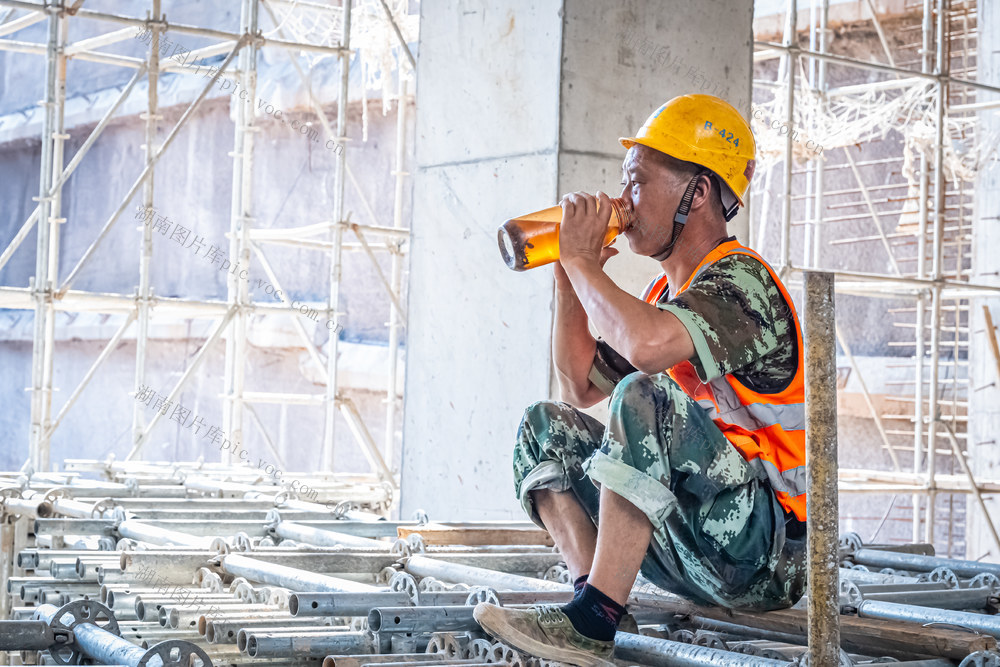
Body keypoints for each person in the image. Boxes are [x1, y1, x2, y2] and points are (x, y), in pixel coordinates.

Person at [473, 94, 808, 667]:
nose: (624, 199)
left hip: (764, 553)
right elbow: (577, 387)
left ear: (696, 194)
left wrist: (582, 264)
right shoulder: (663, 300)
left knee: (642, 395)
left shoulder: (745, 282)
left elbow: (646, 350)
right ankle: (594, 603)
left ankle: (592, 620)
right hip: (697, 540)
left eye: (637, 181)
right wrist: (568, 275)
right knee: (543, 427)